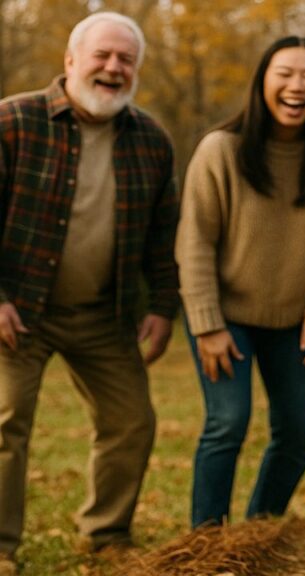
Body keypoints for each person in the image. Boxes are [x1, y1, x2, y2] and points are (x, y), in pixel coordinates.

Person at [0, 11, 178, 569]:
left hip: (103, 313)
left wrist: (164, 307)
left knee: (131, 421)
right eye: (102, 55)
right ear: (71, 61)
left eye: (126, 60)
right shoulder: (13, 121)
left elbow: (162, 233)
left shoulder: (150, 140)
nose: (113, 68)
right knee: (6, 422)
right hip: (19, 307)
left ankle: (106, 535)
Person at [176, 36, 305, 528]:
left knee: (298, 432)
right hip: (225, 320)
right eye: (284, 74)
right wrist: (206, 325)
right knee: (227, 424)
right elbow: (194, 242)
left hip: (296, 322)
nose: (296, 86)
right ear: (262, 83)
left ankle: (259, 531)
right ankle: (209, 541)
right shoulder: (221, 149)